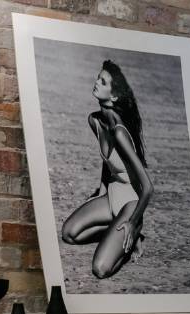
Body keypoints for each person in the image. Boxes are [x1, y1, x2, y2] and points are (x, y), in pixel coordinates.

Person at [61, 60, 153, 280]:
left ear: (113, 97)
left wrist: (131, 222)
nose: (96, 83)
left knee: (100, 269)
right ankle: (116, 235)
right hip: (111, 196)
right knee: (69, 234)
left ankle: (132, 239)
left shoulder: (120, 132)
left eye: (103, 82)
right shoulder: (95, 121)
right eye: (98, 78)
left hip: (130, 203)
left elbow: (148, 187)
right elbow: (108, 162)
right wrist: (101, 190)